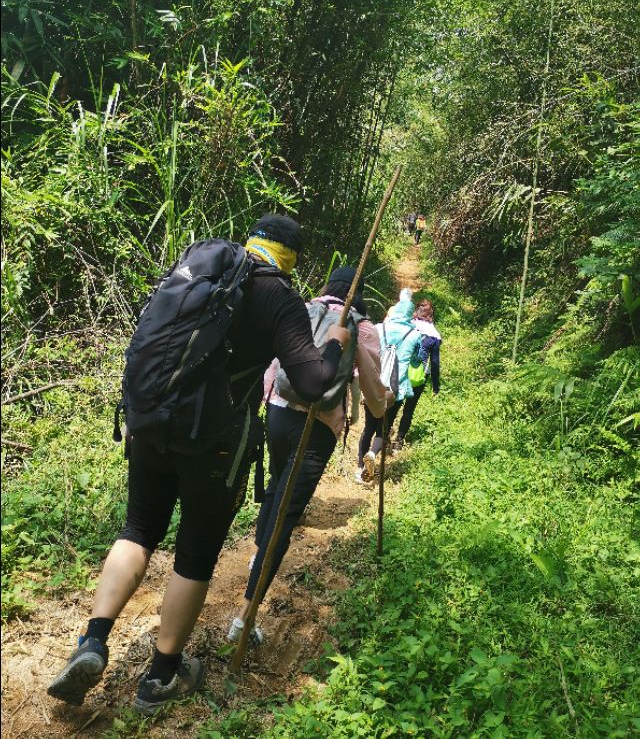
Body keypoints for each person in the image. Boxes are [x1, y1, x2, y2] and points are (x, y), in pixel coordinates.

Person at [47, 215, 351, 714]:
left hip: (151, 423)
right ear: (292, 258)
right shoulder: (279, 297)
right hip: (213, 444)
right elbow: (314, 383)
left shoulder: (203, 270)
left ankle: (93, 639)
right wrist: (335, 342)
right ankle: (162, 676)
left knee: (138, 529)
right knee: (195, 554)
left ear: (253, 240)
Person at [228, 266, 392, 641]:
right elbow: (373, 394)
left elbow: (274, 364)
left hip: (278, 410)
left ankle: (258, 557)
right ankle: (244, 619)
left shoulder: (302, 308)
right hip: (317, 427)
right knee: (285, 516)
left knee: (276, 486)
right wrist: (384, 403)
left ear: (329, 285)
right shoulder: (360, 326)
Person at [356, 291, 421, 482]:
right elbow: (417, 360)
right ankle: (373, 454)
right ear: (410, 314)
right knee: (384, 428)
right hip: (396, 390)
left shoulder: (379, 328)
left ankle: (359, 468)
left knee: (368, 427)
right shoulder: (415, 335)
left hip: (374, 385)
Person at [392, 299, 441, 451]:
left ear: (417, 311)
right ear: (431, 314)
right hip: (419, 376)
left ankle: (384, 434)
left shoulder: (407, 326)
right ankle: (399, 440)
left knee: (395, 404)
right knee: (409, 408)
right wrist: (436, 386)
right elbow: (435, 362)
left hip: (401, 370)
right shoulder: (434, 335)